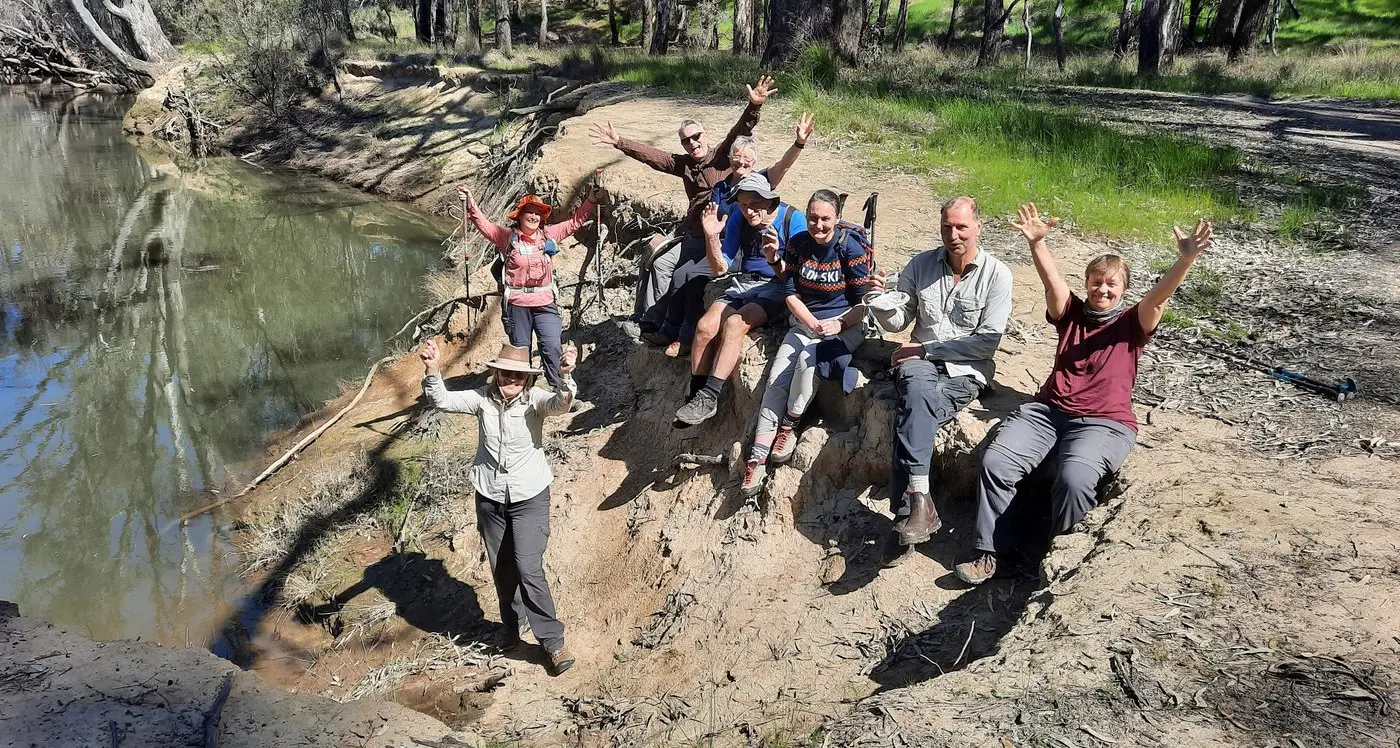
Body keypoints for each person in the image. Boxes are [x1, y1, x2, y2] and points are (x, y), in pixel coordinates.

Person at [954, 206, 1214, 585]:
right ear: (1087, 283)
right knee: (996, 461)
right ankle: (991, 552)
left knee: (1074, 479)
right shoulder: (1072, 314)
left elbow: (1158, 299)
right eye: (1096, 282)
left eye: (1111, 284)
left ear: (1124, 289)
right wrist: (1037, 243)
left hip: (1104, 423)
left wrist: (1185, 259)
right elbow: (1052, 283)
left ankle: (1056, 563)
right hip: (1047, 412)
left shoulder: (1133, 322)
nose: (1102, 290)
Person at [419, 338, 580, 676]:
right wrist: (433, 369)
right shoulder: (482, 399)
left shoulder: (536, 401)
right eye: (506, 374)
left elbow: (561, 404)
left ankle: (552, 643)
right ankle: (511, 627)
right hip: (490, 496)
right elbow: (442, 400)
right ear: (496, 374)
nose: (511, 380)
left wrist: (565, 376)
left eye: (518, 376)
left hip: (529, 496)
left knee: (528, 567)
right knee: (502, 568)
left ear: (528, 379)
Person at [866, 196, 1014, 565]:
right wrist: (879, 301)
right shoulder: (921, 264)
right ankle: (919, 503)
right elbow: (900, 320)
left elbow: (987, 342)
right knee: (916, 395)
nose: (954, 234)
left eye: (961, 227)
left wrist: (927, 349)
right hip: (918, 365)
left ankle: (906, 516)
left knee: (914, 413)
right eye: (947, 226)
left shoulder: (997, 275)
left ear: (978, 226)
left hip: (966, 370)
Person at [588, 76, 778, 333]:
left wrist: (754, 105)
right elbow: (655, 157)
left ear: (705, 136)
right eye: (686, 140)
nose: (692, 143)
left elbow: (740, 131)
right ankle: (649, 322)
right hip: (690, 232)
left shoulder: (722, 156)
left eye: (696, 136)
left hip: (716, 237)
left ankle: (664, 326)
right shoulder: (685, 165)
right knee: (658, 260)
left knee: (679, 271)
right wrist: (620, 142)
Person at [740, 189, 871, 497]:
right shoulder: (798, 244)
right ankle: (757, 456)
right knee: (775, 380)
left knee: (806, 361)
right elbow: (790, 292)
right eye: (813, 218)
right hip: (806, 321)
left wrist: (838, 324)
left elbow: (864, 304)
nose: (818, 225)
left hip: (844, 324)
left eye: (825, 219)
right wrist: (812, 324)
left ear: (837, 219)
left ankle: (789, 425)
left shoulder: (850, 249)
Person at [674, 172, 807, 426]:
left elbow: (797, 277)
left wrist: (773, 259)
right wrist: (712, 237)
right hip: (745, 283)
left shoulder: (793, 220)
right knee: (704, 327)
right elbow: (720, 269)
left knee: (735, 323)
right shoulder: (739, 218)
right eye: (743, 205)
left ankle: (710, 395)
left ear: (770, 201)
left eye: (754, 204)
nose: (748, 211)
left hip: (778, 286)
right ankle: (696, 396)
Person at [456, 184, 599, 392]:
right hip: (517, 305)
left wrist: (591, 200)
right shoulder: (507, 237)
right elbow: (484, 225)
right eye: (529, 212)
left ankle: (558, 390)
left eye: (537, 213)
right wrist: (470, 204)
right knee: (520, 352)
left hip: (545, 303)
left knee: (551, 346)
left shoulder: (549, 234)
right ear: (520, 216)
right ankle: (523, 392)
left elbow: (575, 222)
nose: (533, 216)